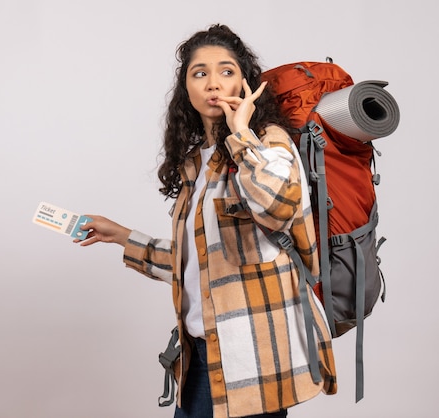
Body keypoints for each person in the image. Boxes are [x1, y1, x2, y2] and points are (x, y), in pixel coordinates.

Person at [75, 24, 337, 418]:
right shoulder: (196, 163)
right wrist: (122, 237)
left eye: (227, 71)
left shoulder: (268, 142)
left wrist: (241, 132)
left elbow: (280, 206)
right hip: (202, 355)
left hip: (255, 363)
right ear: (187, 90)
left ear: (247, 84)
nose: (213, 83)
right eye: (200, 73)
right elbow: (205, 262)